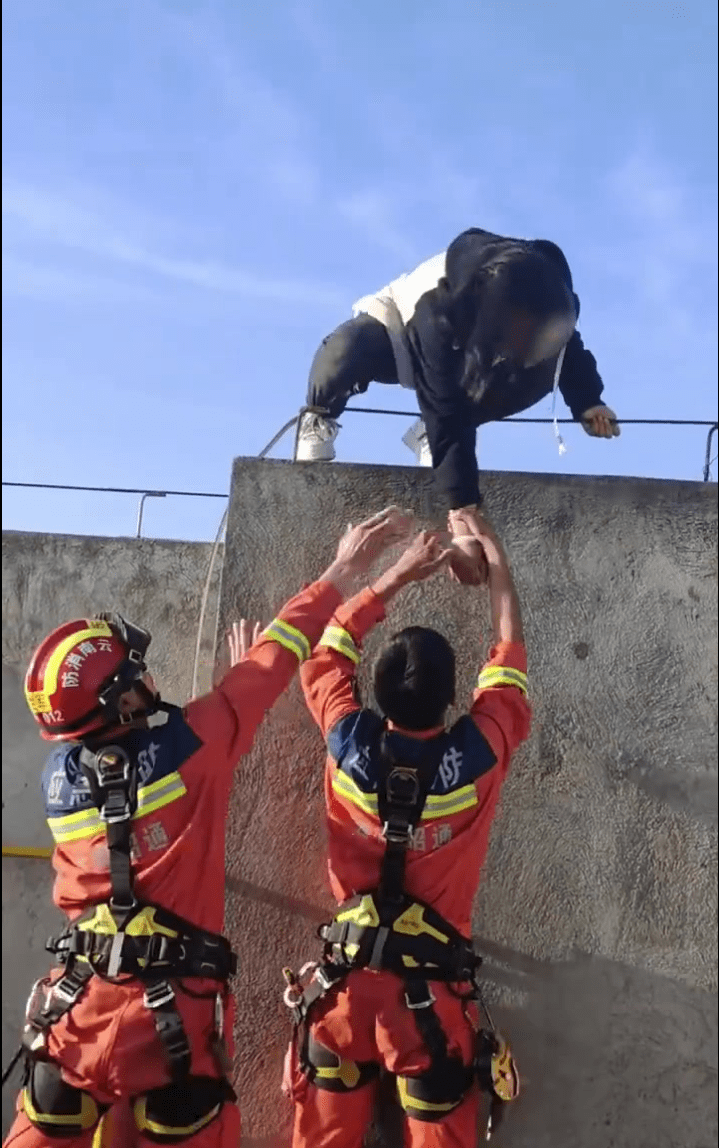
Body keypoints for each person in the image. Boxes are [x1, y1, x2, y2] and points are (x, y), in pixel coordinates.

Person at [3, 507, 414, 1148]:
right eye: (132, 676)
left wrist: (229, 687)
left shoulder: (60, 778)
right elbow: (281, 653)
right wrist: (345, 567)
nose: (145, 677)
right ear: (126, 700)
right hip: (170, 1025)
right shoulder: (198, 746)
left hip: (75, 1019)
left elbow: (131, 783)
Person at [283, 507, 532, 1146]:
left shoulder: (347, 740)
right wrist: (494, 557)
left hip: (340, 999)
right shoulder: (479, 751)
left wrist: (395, 573)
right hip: (430, 1010)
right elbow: (507, 654)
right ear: (455, 700)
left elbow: (329, 645)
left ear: (377, 692)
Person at [296, 227, 620, 510]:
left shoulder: (547, 303)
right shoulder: (442, 308)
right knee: (348, 347)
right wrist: (462, 502)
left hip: (474, 356)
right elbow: (443, 399)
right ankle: (318, 417)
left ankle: (428, 433)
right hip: (402, 330)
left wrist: (588, 401)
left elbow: (569, 351)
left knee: (543, 367)